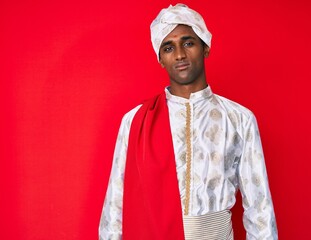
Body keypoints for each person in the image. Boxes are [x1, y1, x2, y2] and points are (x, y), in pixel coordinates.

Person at [99, 3, 278, 240]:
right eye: (168, 47)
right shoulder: (135, 121)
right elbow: (115, 206)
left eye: (188, 43)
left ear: (205, 47)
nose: (180, 55)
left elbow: (259, 207)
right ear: (160, 59)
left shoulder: (239, 119)